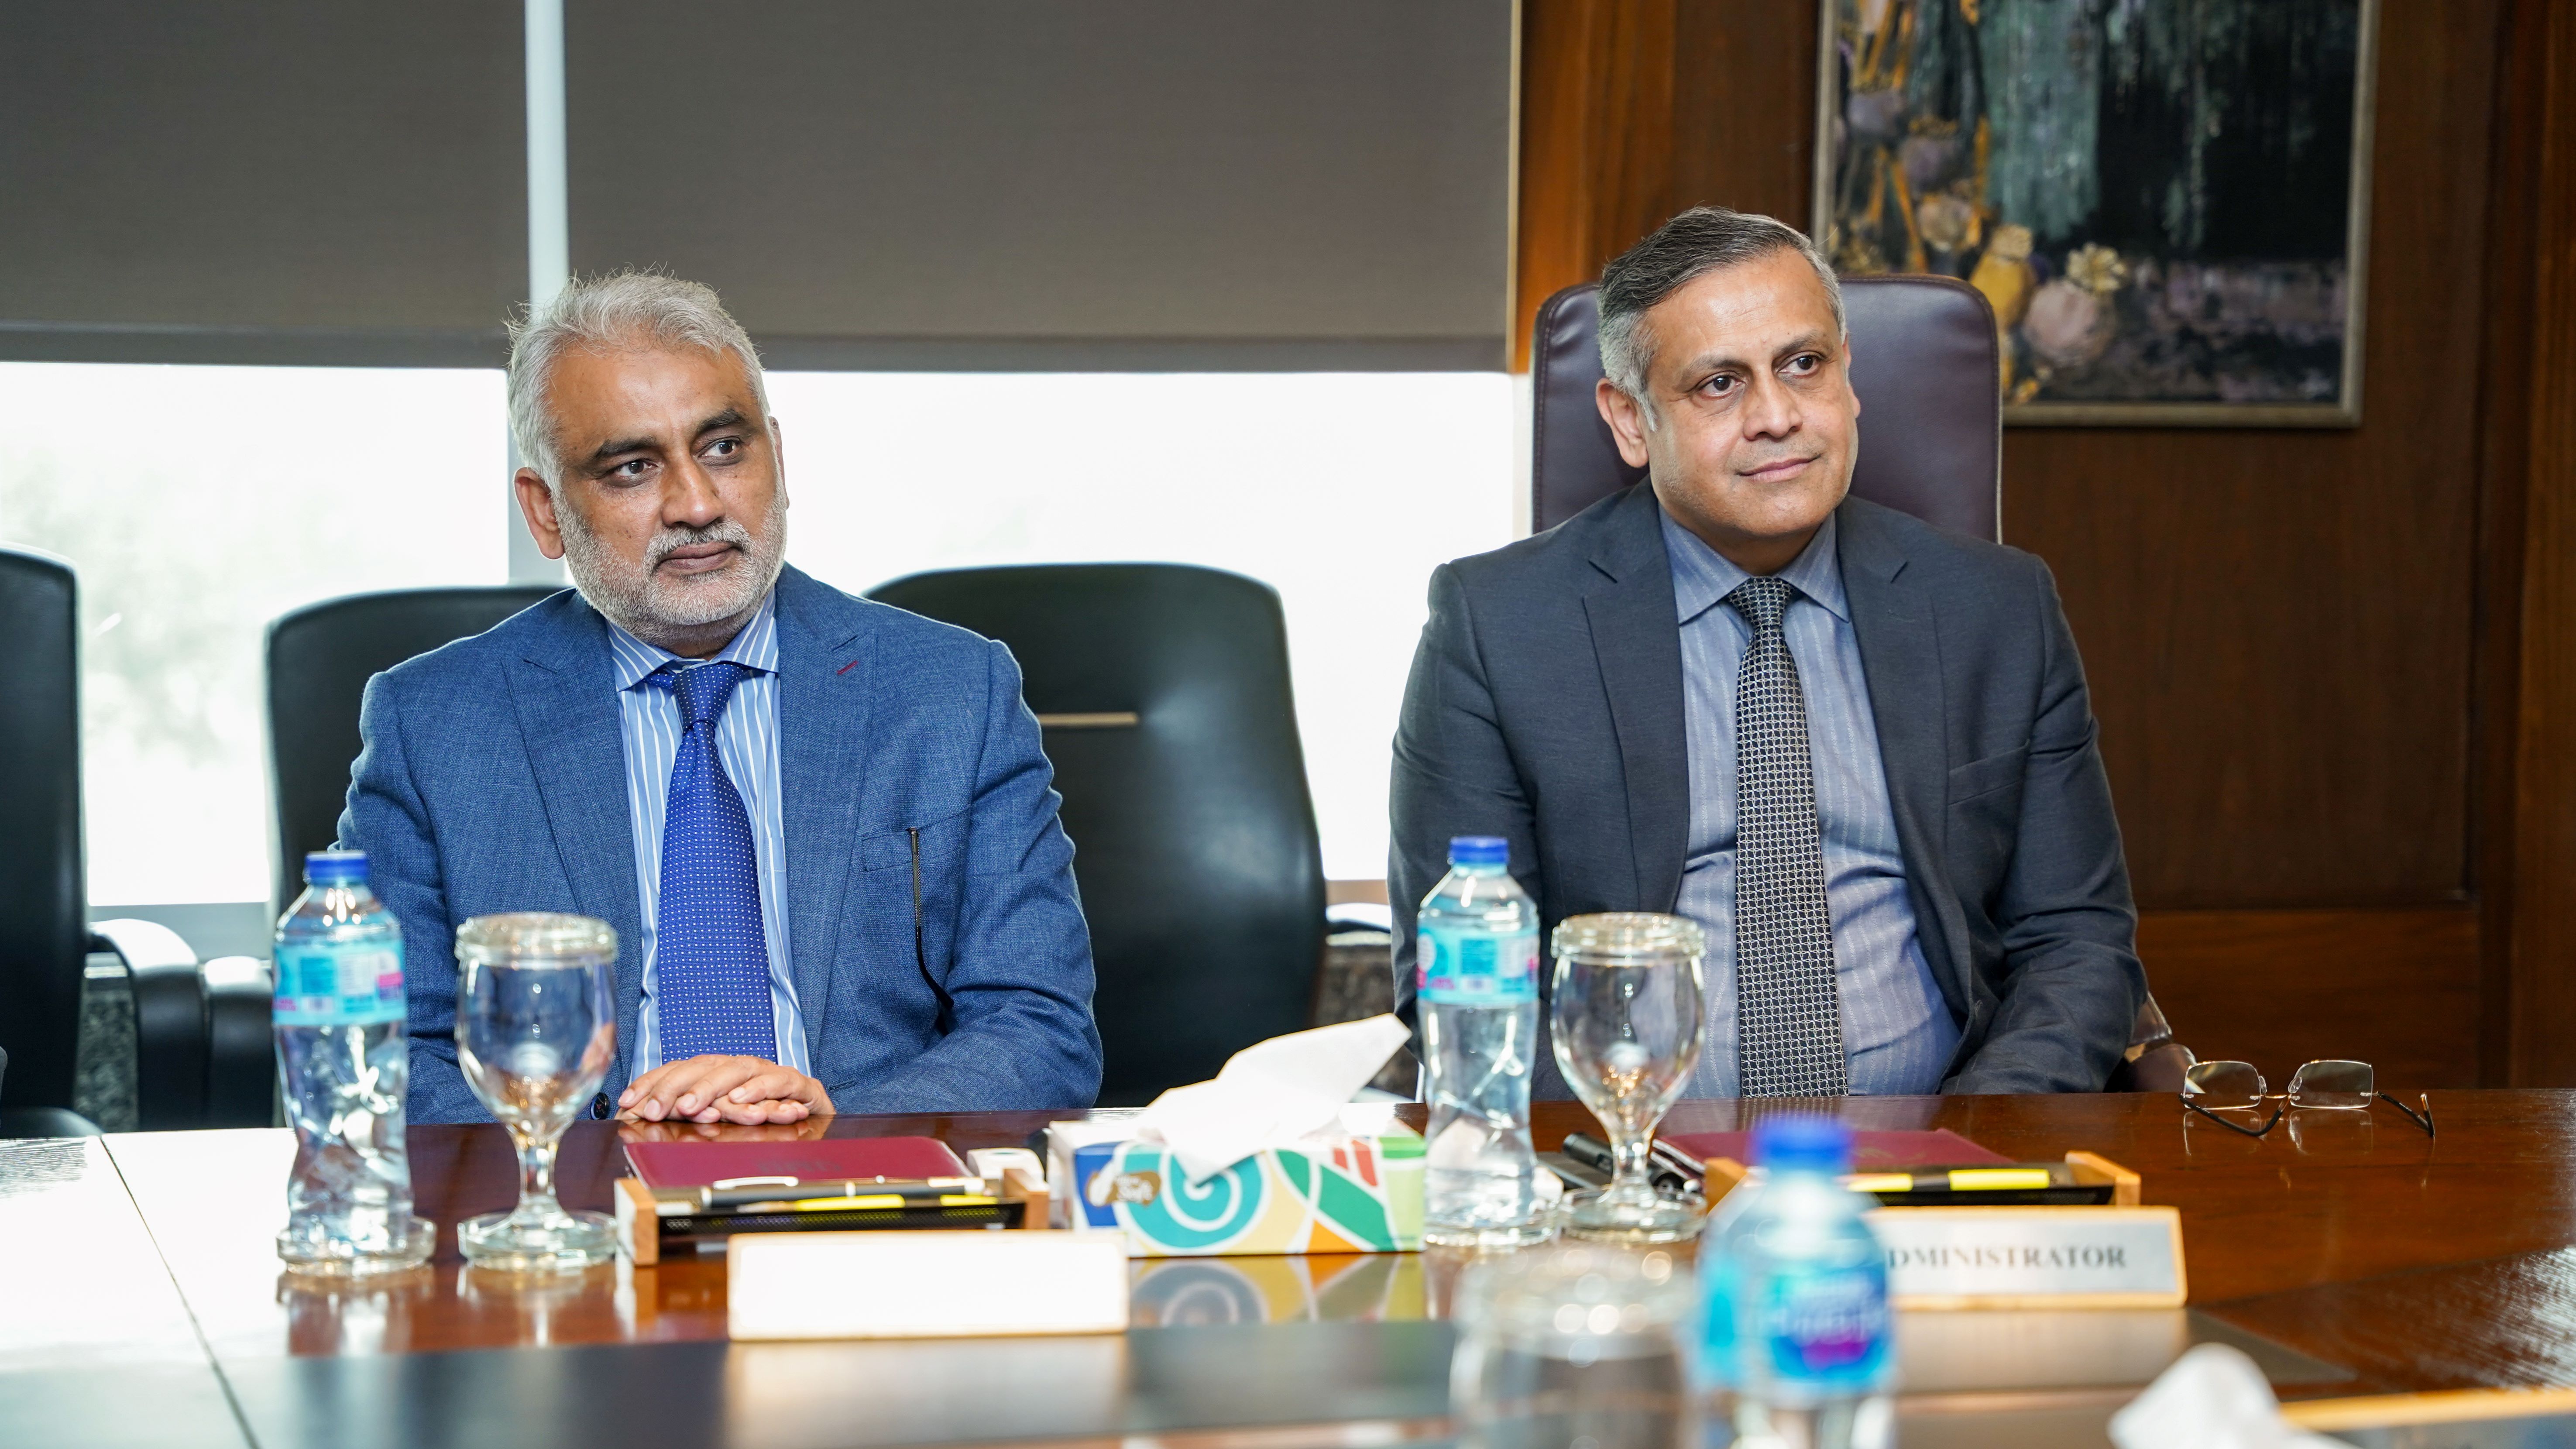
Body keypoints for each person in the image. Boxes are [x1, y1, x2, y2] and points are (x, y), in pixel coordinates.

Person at [1390, 207, 2143, 1098]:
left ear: (1847, 377)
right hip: (1631, 1153)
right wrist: (1616, 1157)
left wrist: (1970, 1140)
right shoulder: (1495, 626)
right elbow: (1469, 988)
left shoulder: (1996, 607)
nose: (1777, 416)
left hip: (1937, 1145)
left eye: (1803, 365)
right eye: (1718, 384)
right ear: (1629, 420)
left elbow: (2075, 942)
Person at [343, 271, 1102, 1126]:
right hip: (579, 1191)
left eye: (724, 449)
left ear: (776, 455)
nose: (697, 505)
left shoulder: (953, 692)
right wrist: (595, 1154)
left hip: (859, 1181)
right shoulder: (433, 724)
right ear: (546, 511)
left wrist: (825, 1134)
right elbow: (379, 1054)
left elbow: (1039, 1029)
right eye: (632, 468)